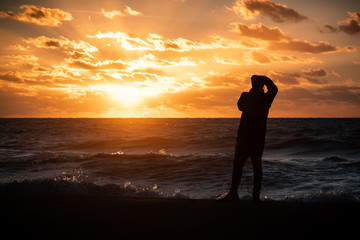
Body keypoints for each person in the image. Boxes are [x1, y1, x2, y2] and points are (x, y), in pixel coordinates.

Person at [221, 75, 278, 202]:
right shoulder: (263, 98)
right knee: (252, 165)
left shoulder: (252, 97)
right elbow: (273, 89)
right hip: (254, 137)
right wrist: (265, 81)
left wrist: (263, 81)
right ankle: (252, 196)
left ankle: (237, 194)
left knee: (240, 164)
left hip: (247, 137)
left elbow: (240, 106)